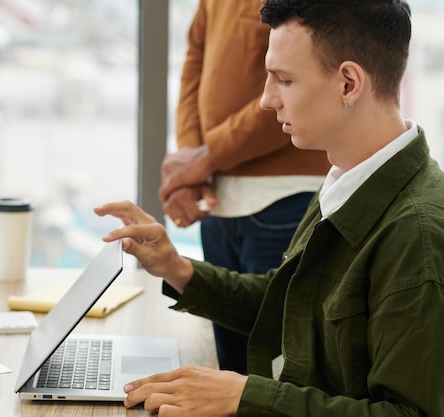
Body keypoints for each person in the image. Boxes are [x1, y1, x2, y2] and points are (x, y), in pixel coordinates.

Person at [95, 0, 444, 415]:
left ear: (349, 83)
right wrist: (176, 267)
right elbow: (288, 305)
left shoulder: (417, 235)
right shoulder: (345, 181)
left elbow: (408, 413)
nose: (266, 99)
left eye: (284, 80)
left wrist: (244, 396)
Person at [160, 0, 330, 373]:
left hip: (285, 197)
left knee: (277, 370)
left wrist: (204, 159)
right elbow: (194, 64)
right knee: (232, 368)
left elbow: (302, 85)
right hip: (218, 201)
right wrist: (192, 159)